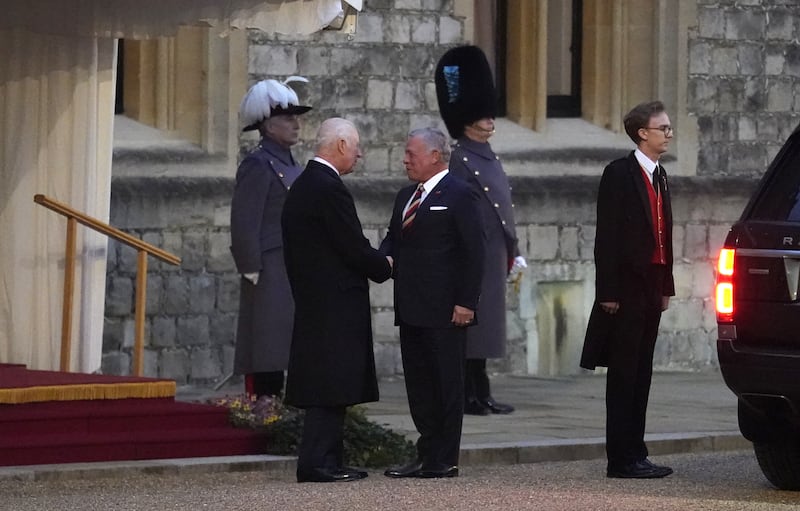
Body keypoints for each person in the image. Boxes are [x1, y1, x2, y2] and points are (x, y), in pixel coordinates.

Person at [281, 117, 393, 483]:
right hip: (333, 304)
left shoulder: (305, 184)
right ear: (341, 145)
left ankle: (329, 459)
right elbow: (351, 245)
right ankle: (318, 463)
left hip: (318, 301)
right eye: (356, 146)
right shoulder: (327, 188)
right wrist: (385, 264)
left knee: (333, 384)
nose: (359, 154)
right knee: (330, 385)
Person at [381, 127, 485, 479]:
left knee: (446, 384)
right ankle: (425, 452)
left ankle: (444, 458)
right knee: (420, 385)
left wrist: (466, 302)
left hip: (446, 310)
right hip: (411, 307)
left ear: (435, 156)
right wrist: (379, 262)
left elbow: (474, 252)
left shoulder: (460, 194)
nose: (405, 159)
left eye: (411, 153)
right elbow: (393, 240)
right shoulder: (405, 196)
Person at [580, 100, 676, 479]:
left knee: (642, 372)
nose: (668, 134)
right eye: (662, 128)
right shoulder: (619, 173)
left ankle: (638, 451)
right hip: (626, 288)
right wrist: (609, 292)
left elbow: (664, 234)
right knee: (623, 374)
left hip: (652, 287)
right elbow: (608, 236)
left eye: (669, 128)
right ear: (642, 133)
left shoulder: (660, 174)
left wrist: (666, 286)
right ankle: (620, 458)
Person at [435, 45, 526, 416]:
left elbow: (502, 207)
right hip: (474, 253)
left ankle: (481, 391)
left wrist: (513, 248)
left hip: (493, 253)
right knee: (472, 326)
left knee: (486, 327)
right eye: (484, 116)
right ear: (469, 120)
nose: (491, 121)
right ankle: (469, 393)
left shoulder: (488, 156)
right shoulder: (460, 158)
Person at [229, 77, 312, 399]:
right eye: (287, 118)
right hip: (270, 265)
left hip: (296, 263)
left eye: (296, 117)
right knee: (268, 342)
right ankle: (266, 405)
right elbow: (245, 218)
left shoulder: (293, 165)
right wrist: (250, 264)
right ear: (267, 126)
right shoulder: (258, 164)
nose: (296, 124)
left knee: (292, 341)